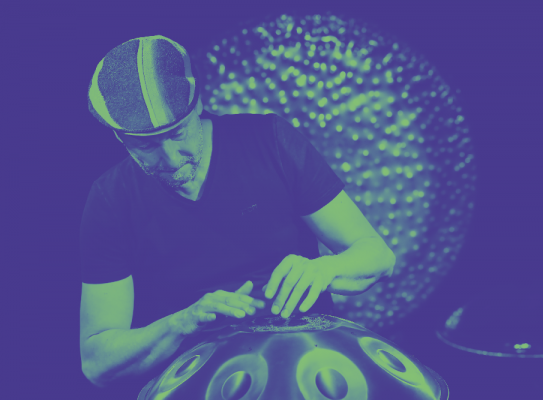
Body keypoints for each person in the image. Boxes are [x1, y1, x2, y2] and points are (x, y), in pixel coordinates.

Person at [80, 35, 396, 398]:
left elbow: (378, 257)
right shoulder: (110, 199)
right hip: (201, 382)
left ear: (199, 105)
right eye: (147, 146)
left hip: (310, 368)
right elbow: (97, 363)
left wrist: (325, 270)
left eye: (178, 134)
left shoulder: (269, 141)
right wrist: (181, 323)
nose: (171, 158)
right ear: (120, 138)